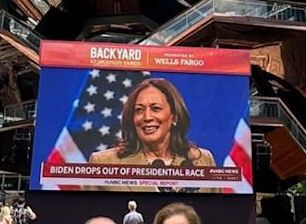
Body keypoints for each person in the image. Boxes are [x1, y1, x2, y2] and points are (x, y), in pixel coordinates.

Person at [88, 78, 217, 192]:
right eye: (139, 110)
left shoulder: (203, 160)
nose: (147, 117)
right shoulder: (103, 163)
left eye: (156, 108)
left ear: (174, 117)